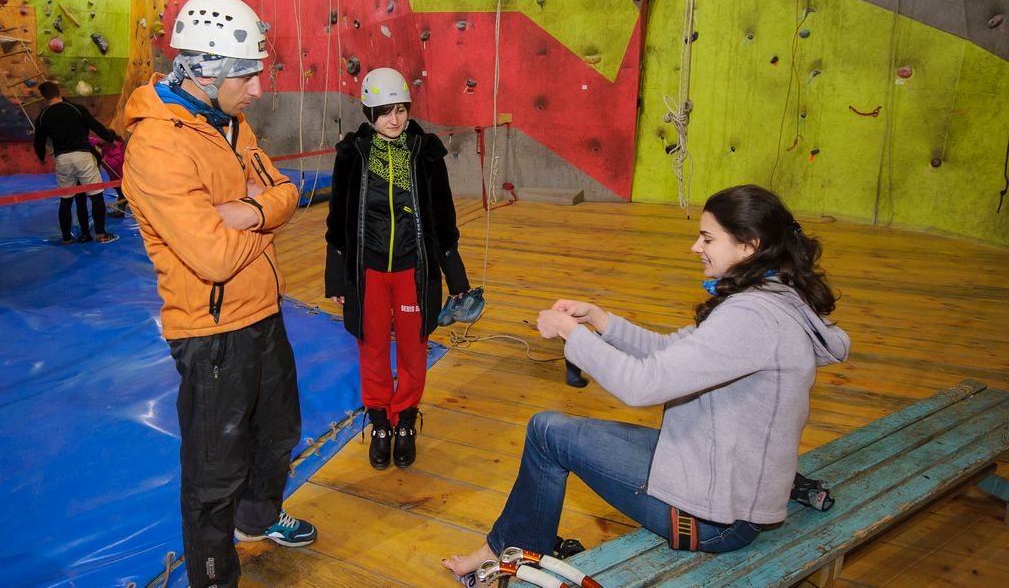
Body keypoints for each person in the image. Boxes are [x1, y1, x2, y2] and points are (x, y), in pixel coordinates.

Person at [443, 184, 851, 583]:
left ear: (748, 246)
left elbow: (643, 385)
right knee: (550, 430)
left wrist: (572, 334)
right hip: (712, 475)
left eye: (707, 237)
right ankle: (512, 548)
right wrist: (599, 320)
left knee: (548, 433)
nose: (696, 247)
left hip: (716, 517)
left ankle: (513, 553)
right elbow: (669, 352)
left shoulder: (752, 318)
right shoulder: (772, 296)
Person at [121, 0, 317, 588]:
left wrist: (248, 213)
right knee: (214, 473)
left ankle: (257, 520)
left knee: (279, 432)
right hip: (211, 334)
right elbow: (212, 256)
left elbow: (286, 190)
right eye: (246, 75)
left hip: (263, 311)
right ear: (204, 71)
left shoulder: (228, 121)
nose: (258, 89)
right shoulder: (156, 145)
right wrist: (265, 217)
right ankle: (212, 576)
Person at [325, 67, 471, 470]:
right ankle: (379, 422)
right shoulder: (351, 154)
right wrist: (336, 275)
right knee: (371, 348)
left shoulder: (425, 153)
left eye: (401, 109)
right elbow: (338, 219)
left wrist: (455, 275)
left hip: (413, 269)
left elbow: (443, 217)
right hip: (367, 270)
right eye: (386, 110)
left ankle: (404, 420)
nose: (395, 119)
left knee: (412, 348)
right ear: (369, 112)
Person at [33, 81, 118, 244]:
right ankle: (101, 234)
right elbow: (95, 126)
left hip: (62, 159)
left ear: (44, 97)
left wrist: (42, 157)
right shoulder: (76, 109)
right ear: (59, 92)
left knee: (66, 199)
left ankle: (67, 238)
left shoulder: (43, 116)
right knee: (96, 195)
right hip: (82, 156)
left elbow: (39, 141)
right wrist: (110, 139)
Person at [89, 131, 127, 217]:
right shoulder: (106, 146)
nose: (99, 139)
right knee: (120, 192)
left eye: (101, 137)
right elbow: (92, 141)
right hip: (114, 176)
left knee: (123, 193)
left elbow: (116, 163)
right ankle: (124, 204)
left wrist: (104, 160)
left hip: (121, 176)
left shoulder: (116, 147)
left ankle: (121, 211)